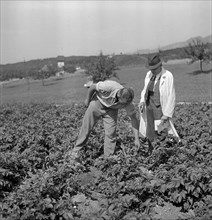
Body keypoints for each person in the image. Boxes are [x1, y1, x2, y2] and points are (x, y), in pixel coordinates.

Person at [70, 80, 141, 162]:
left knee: (111, 133)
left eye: (126, 104)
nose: (125, 106)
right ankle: (76, 151)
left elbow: (134, 119)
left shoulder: (128, 102)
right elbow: (93, 87)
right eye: (124, 104)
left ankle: (108, 158)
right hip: (97, 103)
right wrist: (88, 100)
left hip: (111, 110)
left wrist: (137, 139)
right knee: (86, 127)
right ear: (118, 95)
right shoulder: (107, 87)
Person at [138, 53, 179, 153]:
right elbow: (144, 90)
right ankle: (152, 151)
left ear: (160, 66)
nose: (152, 71)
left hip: (160, 108)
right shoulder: (149, 75)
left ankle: (162, 151)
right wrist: (142, 101)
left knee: (161, 130)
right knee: (150, 129)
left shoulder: (168, 76)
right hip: (149, 106)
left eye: (154, 69)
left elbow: (171, 96)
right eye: (151, 68)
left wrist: (167, 114)